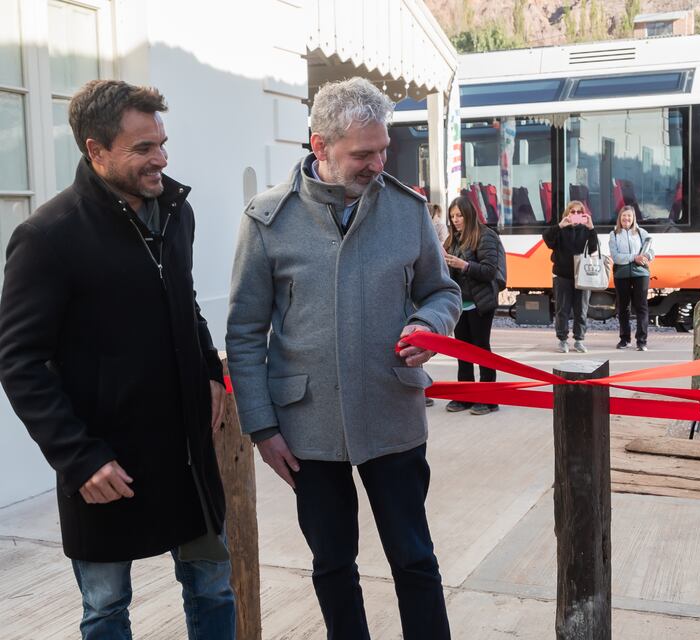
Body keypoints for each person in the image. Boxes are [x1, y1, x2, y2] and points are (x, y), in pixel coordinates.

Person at [226, 77, 460, 640]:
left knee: (415, 558)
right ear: (320, 146)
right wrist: (262, 429)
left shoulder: (407, 211)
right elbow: (245, 333)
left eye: (383, 150)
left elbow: (442, 291)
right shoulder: (266, 220)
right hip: (307, 430)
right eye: (362, 154)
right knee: (332, 564)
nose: (378, 164)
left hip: (392, 415)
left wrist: (430, 325)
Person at [0, 80, 235, 639]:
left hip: (187, 457)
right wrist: (78, 458)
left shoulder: (176, 211)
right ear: (96, 150)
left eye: (162, 143)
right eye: (143, 148)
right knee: (106, 608)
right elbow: (18, 360)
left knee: (212, 589)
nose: (161, 159)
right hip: (105, 466)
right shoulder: (46, 236)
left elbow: (185, 301)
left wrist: (209, 370)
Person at [442, 196, 501, 416]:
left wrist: (464, 265)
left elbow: (489, 271)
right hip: (460, 304)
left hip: (480, 302)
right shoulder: (452, 239)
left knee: (481, 349)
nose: (455, 220)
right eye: (452, 216)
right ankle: (464, 396)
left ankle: (488, 399)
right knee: (462, 351)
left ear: (469, 214)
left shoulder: (486, 235)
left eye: (459, 215)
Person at [543, 200, 598, 353]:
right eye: (572, 212)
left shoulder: (586, 230)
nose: (575, 214)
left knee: (581, 310)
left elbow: (594, 248)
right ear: (567, 214)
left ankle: (579, 340)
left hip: (583, 276)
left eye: (579, 212)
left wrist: (591, 228)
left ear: (583, 214)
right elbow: (547, 239)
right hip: (562, 275)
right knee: (562, 309)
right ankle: (562, 340)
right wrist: (560, 225)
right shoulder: (560, 230)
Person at [608, 205, 653, 351]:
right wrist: (635, 257)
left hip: (641, 274)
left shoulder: (642, 232)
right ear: (619, 218)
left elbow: (651, 252)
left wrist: (646, 257)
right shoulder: (614, 234)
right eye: (624, 216)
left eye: (629, 216)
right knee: (623, 308)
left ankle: (642, 341)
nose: (626, 218)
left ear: (633, 218)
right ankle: (624, 339)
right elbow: (616, 257)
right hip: (621, 275)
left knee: (641, 307)